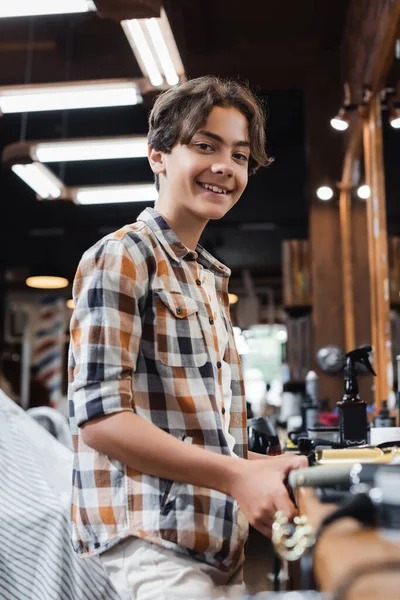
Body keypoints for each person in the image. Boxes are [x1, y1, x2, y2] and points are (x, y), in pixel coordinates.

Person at [68, 76, 307, 600]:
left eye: (240, 156)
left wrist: (262, 465)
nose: (225, 166)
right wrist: (236, 476)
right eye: (205, 146)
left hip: (215, 537)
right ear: (158, 156)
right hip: (154, 540)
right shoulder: (123, 256)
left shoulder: (205, 277)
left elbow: (195, 430)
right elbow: (101, 419)